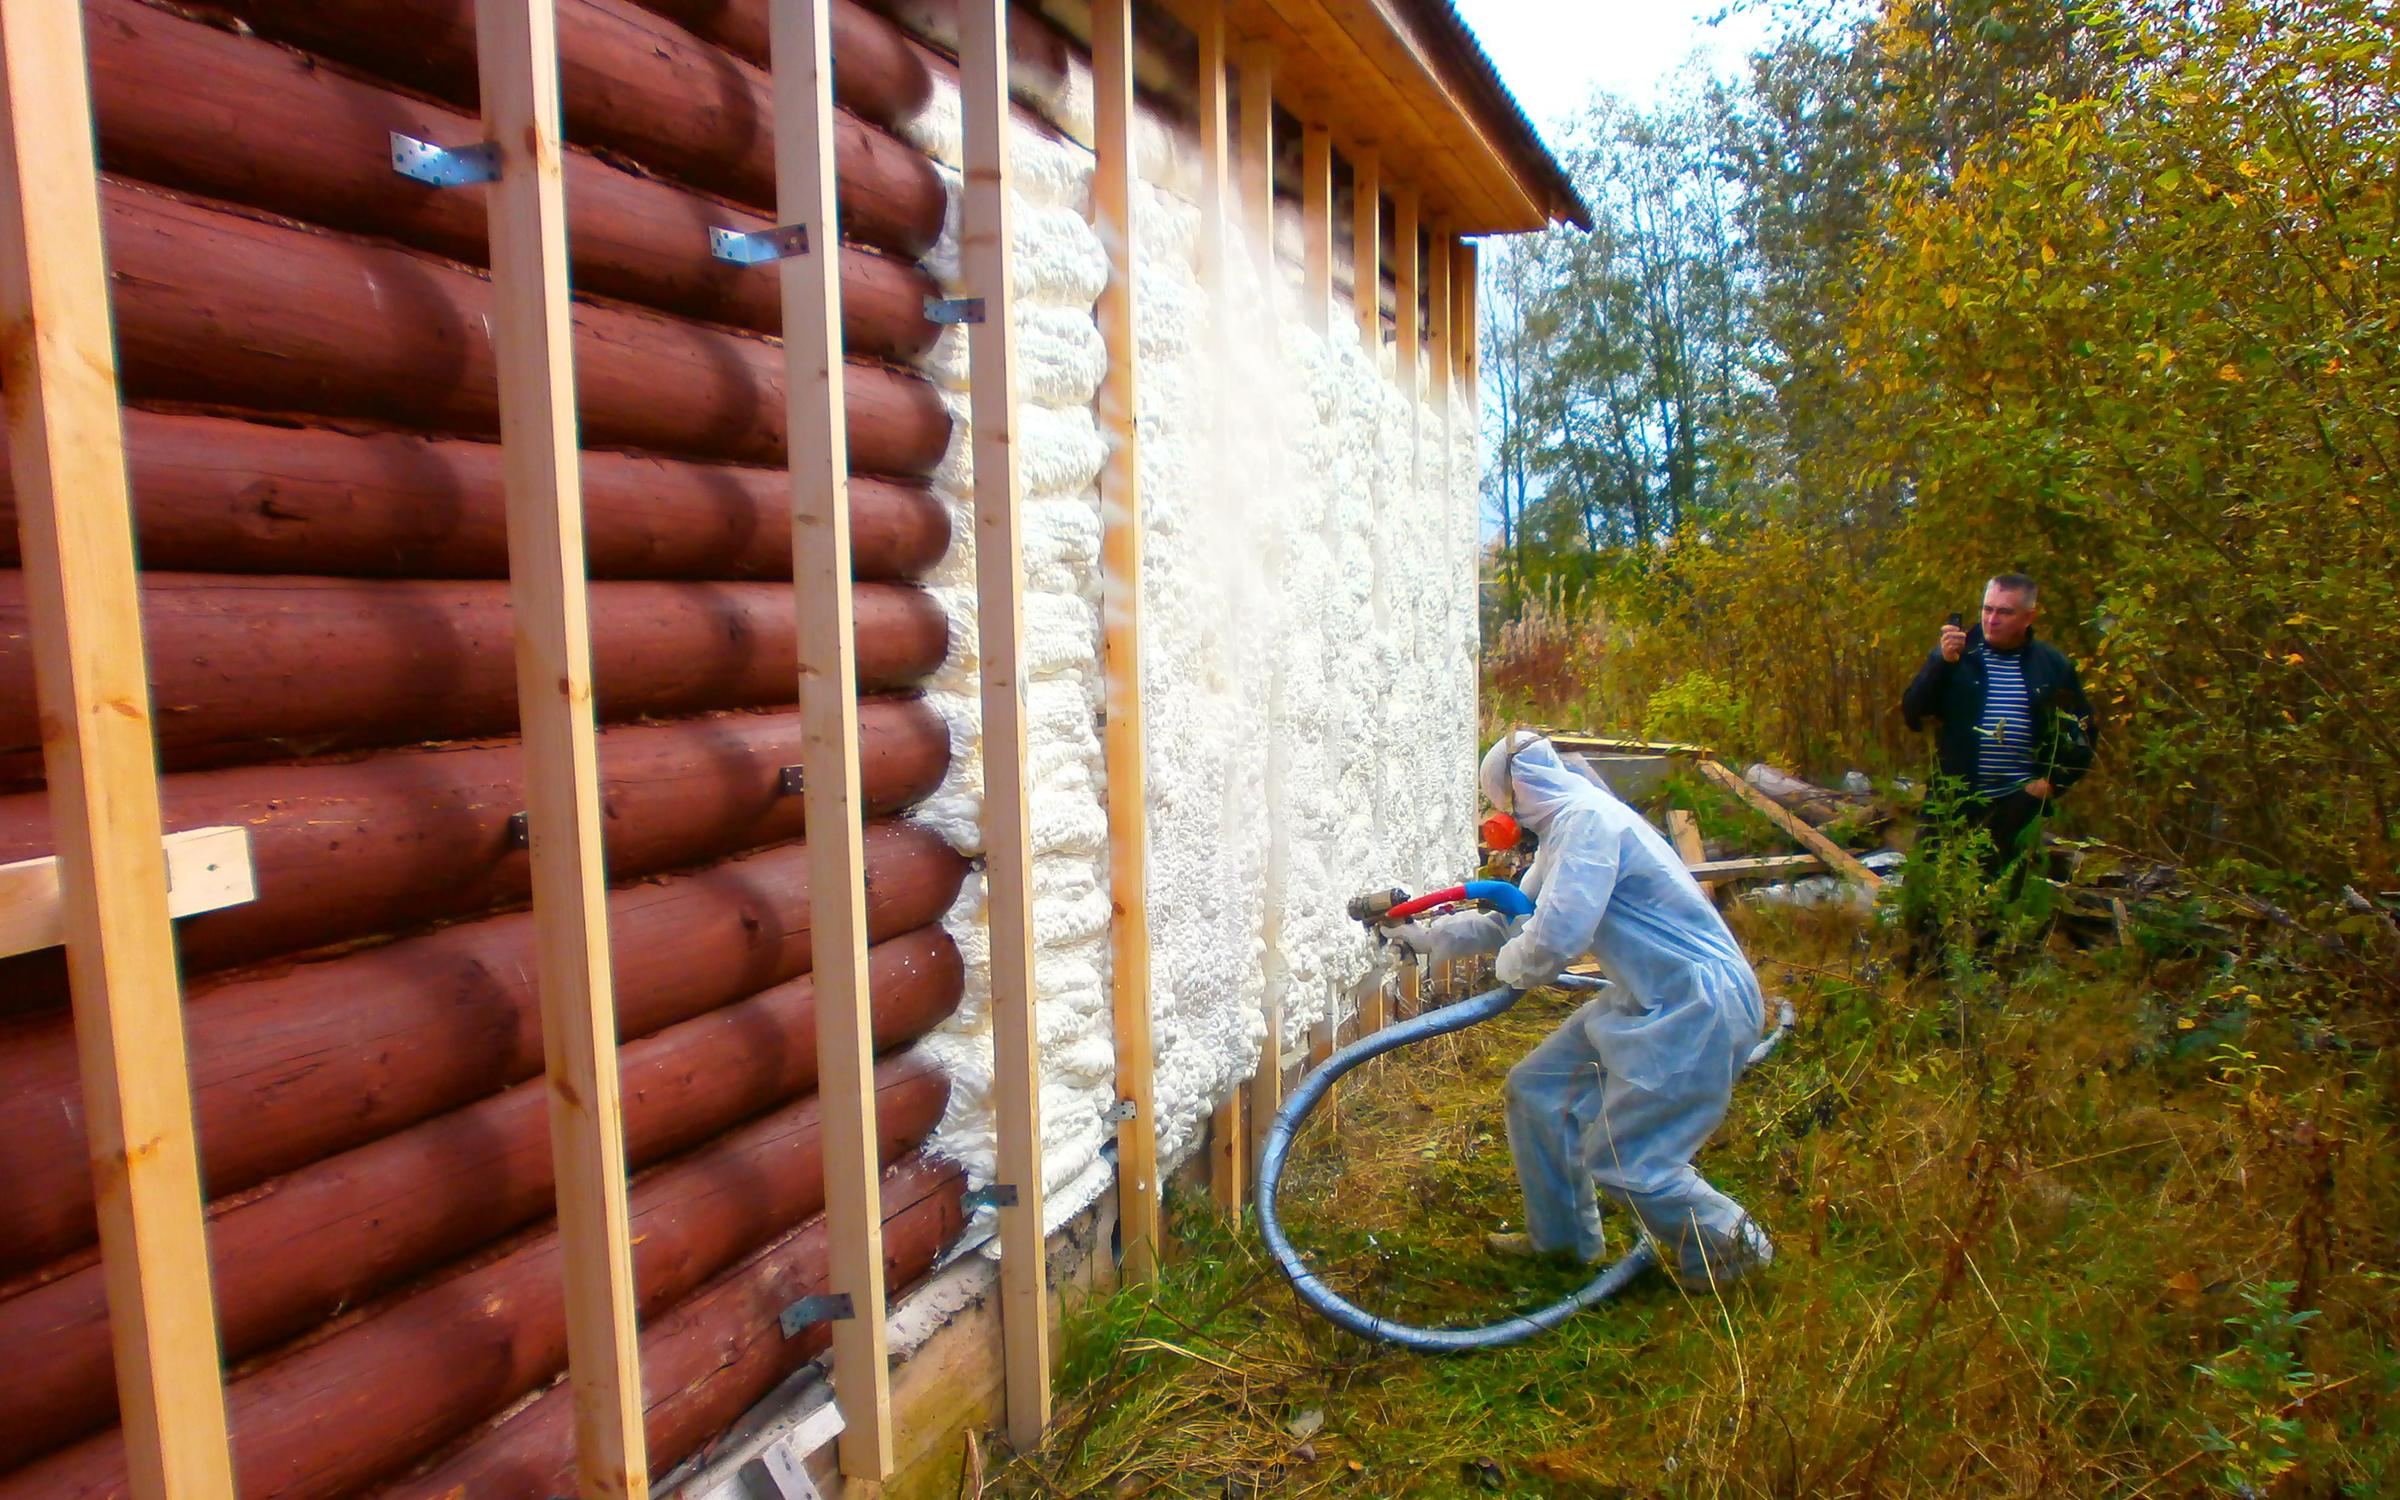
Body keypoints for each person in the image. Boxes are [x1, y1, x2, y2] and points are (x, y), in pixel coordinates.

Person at [1397, 733, 1773, 1292]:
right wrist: (1427, 937)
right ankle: (1563, 1243)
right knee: (1537, 1092)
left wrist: (1508, 968)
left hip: (1697, 1006)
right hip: (1647, 997)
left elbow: (1555, 938)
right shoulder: (1565, 832)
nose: (1506, 820)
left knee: (1630, 1161)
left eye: (1504, 806)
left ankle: (1740, 1256)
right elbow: (1521, 919)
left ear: (1519, 790)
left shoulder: (1588, 823)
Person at [1899, 573, 2098, 879]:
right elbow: (1913, 714)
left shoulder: (2051, 665)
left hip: (2016, 805)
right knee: (1926, 897)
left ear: (2028, 616)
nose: (1992, 620)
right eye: (1987, 609)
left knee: (1999, 900)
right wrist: (1940, 663)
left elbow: (2081, 734)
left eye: (2004, 612)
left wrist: (2051, 784)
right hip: (1953, 800)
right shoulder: (1958, 656)